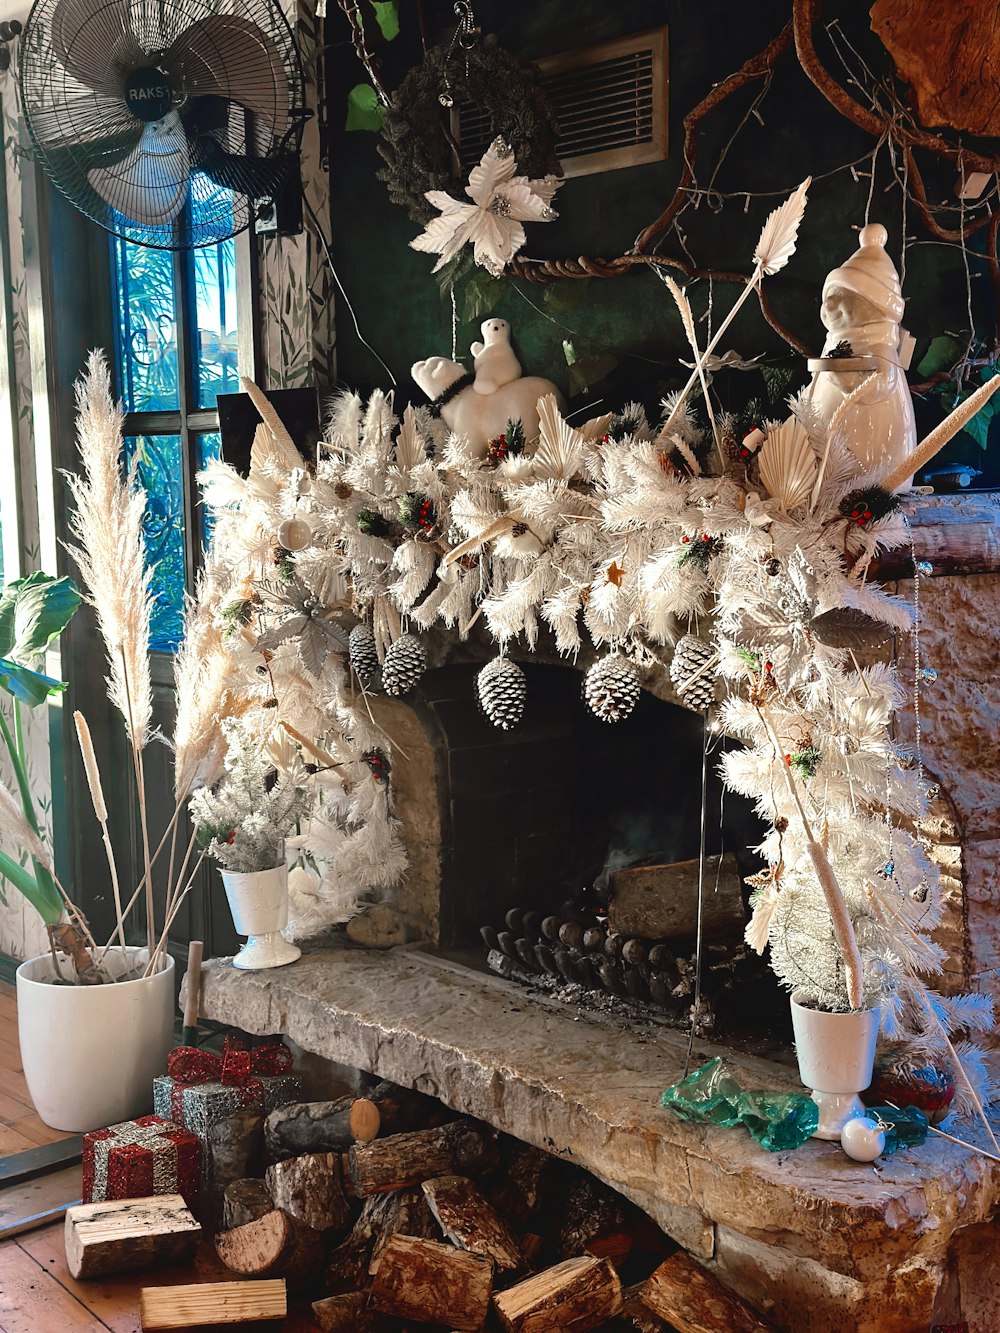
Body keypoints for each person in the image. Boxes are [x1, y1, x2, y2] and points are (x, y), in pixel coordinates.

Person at [808, 222, 916, 483]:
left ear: (874, 305)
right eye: (829, 298)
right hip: (826, 455)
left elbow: (883, 382)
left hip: (868, 463)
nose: (830, 306)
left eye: (841, 297)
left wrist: (847, 380)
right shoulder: (836, 340)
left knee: (861, 475)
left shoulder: (880, 346)